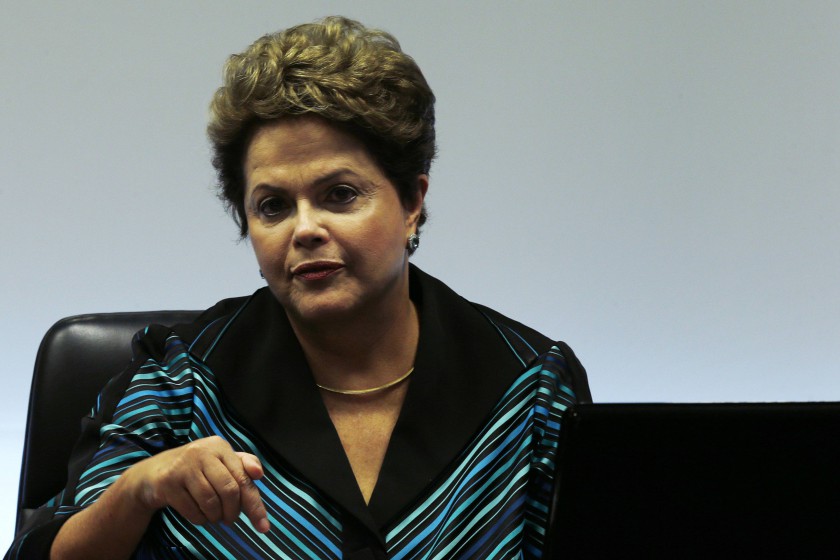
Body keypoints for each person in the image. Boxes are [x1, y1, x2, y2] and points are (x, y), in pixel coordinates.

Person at [7, 16, 590, 560]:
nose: (305, 229)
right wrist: (138, 490)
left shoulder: (530, 385)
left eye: (339, 194)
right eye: (273, 206)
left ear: (412, 201)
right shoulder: (180, 377)